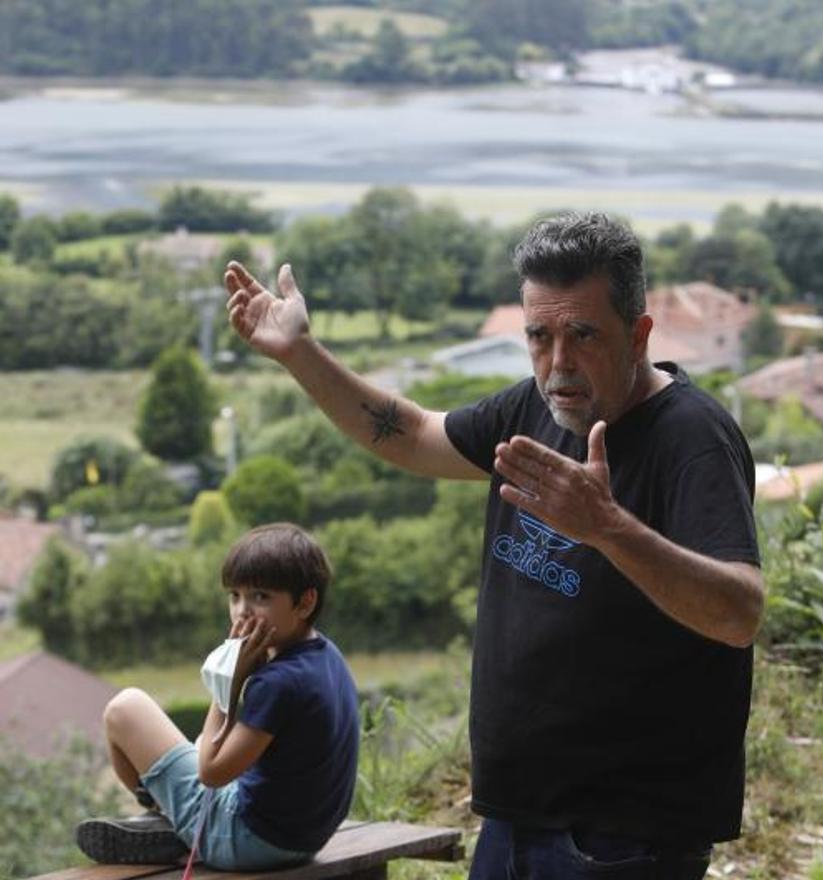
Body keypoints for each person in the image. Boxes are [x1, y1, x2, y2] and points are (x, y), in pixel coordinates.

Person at [224, 211, 764, 880]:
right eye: (539, 336)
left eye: (583, 334)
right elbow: (412, 434)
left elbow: (739, 613)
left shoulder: (692, 437)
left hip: (623, 840)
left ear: (639, 333)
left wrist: (606, 527)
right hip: (515, 818)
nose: (558, 362)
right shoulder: (535, 409)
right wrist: (299, 354)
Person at [76, 523, 359, 871]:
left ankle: (171, 820)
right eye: (235, 596)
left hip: (248, 841)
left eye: (261, 596)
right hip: (306, 837)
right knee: (196, 746)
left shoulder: (279, 682)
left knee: (124, 708)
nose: (242, 611)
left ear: (305, 602)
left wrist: (228, 682)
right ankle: (175, 818)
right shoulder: (326, 654)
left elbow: (211, 774)